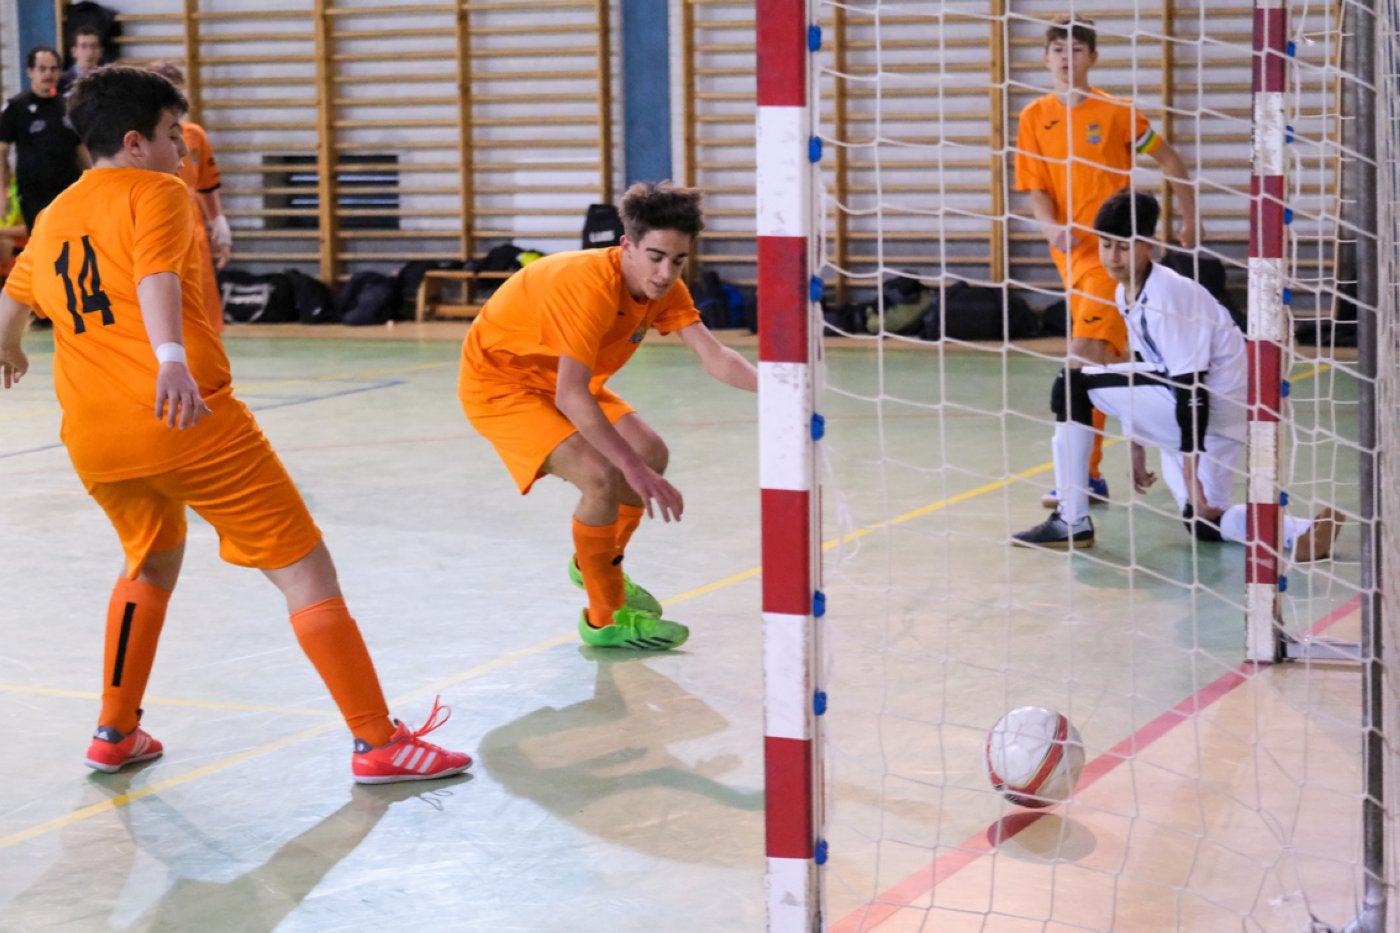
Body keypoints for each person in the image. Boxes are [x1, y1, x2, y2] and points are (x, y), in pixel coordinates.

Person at [0, 66, 472, 783]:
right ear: (134, 142)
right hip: (183, 419)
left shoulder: (59, 211)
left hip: (95, 440)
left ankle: (115, 730)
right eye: (170, 137)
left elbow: (13, 301)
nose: (182, 152)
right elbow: (156, 274)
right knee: (305, 568)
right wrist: (169, 358)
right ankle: (378, 741)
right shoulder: (158, 190)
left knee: (151, 558)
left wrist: (8, 345)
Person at [458, 180, 758, 650]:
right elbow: (572, 395)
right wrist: (633, 473)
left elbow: (716, 355)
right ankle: (604, 620)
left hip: (557, 378)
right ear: (627, 246)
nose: (665, 273)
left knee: (650, 451)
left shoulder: (666, 287)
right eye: (656, 256)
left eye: (678, 260)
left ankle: (597, 564)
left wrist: (783, 390)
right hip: (503, 384)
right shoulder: (588, 287)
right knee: (602, 477)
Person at [1011, 188, 1340, 561]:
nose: (1112, 258)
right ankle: (1299, 533)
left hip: (1208, 407)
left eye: (1123, 247)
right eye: (1105, 246)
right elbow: (1149, 364)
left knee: (1070, 383)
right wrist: (1136, 444)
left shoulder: (1167, 294)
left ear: (1148, 244)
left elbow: (1191, 391)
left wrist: (1190, 478)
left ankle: (1072, 520)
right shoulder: (1128, 292)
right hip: (1224, 415)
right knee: (1202, 523)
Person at [1015, 15, 1201, 509]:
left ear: (1093, 58)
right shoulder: (1034, 116)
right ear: (1044, 57)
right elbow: (1034, 186)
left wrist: (1189, 218)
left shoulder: (1119, 113)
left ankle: (1080, 483)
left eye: (1076, 49)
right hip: (1069, 260)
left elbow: (1170, 161)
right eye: (1057, 48)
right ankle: (1123, 462)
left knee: (1081, 360)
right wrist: (1050, 226)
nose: (1065, 56)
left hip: (1112, 255)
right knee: (1109, 362)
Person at [149, 60, 232, 334]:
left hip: (191, 228)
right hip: (154, 227)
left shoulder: (193, 136)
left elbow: (207, 184)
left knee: (204, 304)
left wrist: (219, 223)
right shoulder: (140, 138)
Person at [0, 46, 89, 233]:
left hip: (68, 188)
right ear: (30, 72)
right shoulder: (16, 107)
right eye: (42, 69)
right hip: (33, 191)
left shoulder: (68, 105)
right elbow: (2, 152)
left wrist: (93, 181)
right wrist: (3, 192)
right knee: (43, 239)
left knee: (70, 239)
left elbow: (81, 150)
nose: (49, 74)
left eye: (54, 68)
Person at [59, 26, 104, 96]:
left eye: (94, 46)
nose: (90, 52)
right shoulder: (61, 82)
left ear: (100, 52)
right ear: (74, 52)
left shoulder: (107, 81)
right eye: (84, 46)